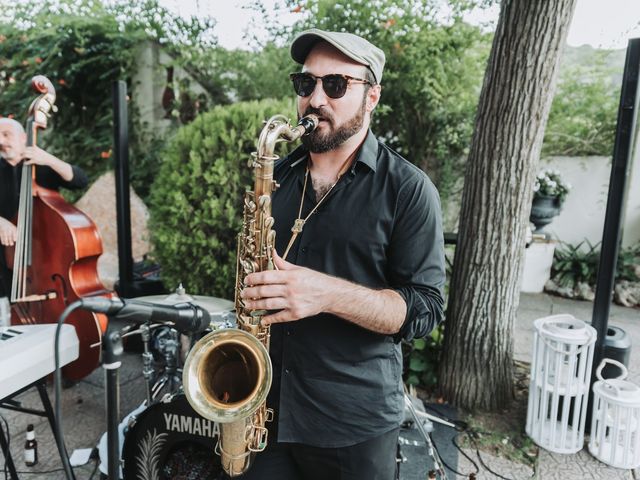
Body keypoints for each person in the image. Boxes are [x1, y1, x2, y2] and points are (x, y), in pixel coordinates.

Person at [237, 29, 446, 480]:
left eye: (335, 85)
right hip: (263, 411)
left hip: (351, 425)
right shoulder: (276, 178)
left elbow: (425, 308)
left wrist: (326, 293)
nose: (315, 99)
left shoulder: (408, 190)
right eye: (306, 84)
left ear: (372, 97)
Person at [0, 117, 88, 297]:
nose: (1, 141)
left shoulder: (43, 166)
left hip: (46, 254)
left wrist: (49, 159)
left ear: (23, 137)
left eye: (6, 135)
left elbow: (80, 181)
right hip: (6, 257)